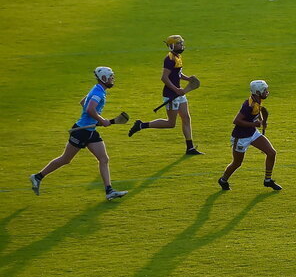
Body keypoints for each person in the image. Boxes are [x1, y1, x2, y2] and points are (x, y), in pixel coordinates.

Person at [29, 67, 128, 201]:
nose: (113, 79)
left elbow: (83, 102)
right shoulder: (98, 93)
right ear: (103, 78)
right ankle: (37, 177)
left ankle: (109, 191)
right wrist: (101, 120)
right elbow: (90, 108)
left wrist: (94, 120)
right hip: (81, 131)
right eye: (111, 76)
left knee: (104, 159)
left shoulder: (97, 89)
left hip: (90, 131)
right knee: (65, 159)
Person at [128, 35, 202, 155]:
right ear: (172, 46)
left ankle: (190, 148)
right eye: (179, 43)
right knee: (171, 123)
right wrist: (176, 89)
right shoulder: (169, 59)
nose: (181, 45)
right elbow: (164, 78)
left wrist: (188, 79)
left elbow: (178, 73)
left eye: (181, 43)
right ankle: (141, 125)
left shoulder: (178, 57)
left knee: (186, 118)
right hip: (171, 94)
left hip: (178, 93)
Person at [218, 80, 282, 191]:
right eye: (264, 90)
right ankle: (223, 180)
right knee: (237, 163)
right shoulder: (248, 105)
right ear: (257, 92)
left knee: (271, 153)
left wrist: (262, 120)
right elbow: (236, 121)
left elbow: (259, 110)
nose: (266, 92)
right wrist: (254, 124)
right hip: (241, 137)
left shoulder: (258, 100)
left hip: (252, 133)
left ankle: (267, 180)